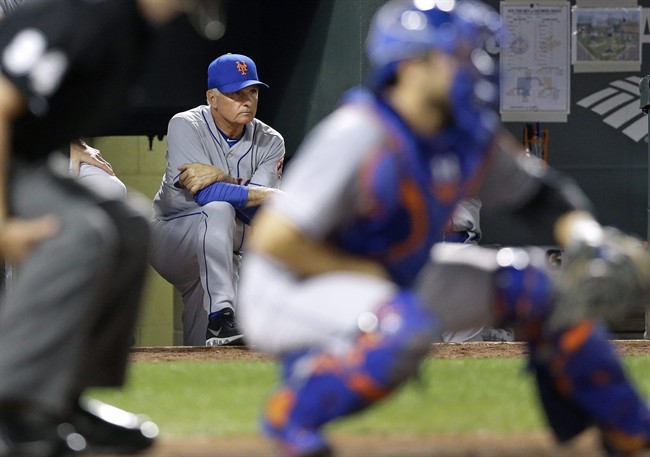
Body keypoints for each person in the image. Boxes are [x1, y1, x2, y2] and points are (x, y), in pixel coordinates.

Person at [237, 1, 650, 457]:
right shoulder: (360, 132)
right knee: (401, 325)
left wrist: (586, 238)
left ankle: (630, 428)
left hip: (392, 276)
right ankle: (291, 415)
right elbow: (274, 240)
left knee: (535, 284)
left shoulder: (464, 133)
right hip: (289, 287)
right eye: (458, 54)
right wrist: (368, 278)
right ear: (412, 66)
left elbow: (540, 198)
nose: (474, 67)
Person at [0, 1, 225, 456]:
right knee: (80, 231)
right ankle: (14, 408)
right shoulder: (89, 14)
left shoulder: (129, 29)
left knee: (129, 222)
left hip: (24, 157)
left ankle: (65, 399)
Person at [149, 52, 285, 347]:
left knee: (204, 345)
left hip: (223, 247)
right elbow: (207, 195)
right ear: (212, 98)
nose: (247, 100)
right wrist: (274, 197)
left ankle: (217, 329)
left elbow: (260, 213)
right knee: (220, 209)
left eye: (253, 91)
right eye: (236, 93)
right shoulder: (185, 124)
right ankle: (223, 314)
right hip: (173, 236)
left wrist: (224, 179)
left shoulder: (270, 140)